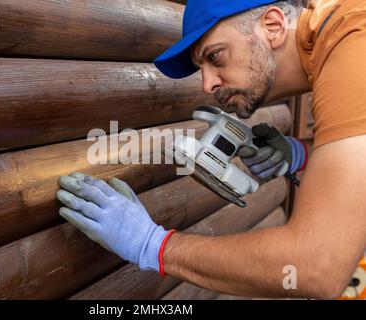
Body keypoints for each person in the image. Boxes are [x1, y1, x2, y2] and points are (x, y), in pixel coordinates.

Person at [56, 0, 366, 299]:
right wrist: (300, 154)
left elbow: (316, 266)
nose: (207, 84)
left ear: (273, 26)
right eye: (200, 67)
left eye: (216, 57)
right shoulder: (337, 37)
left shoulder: (354, 43)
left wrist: (154, 246)